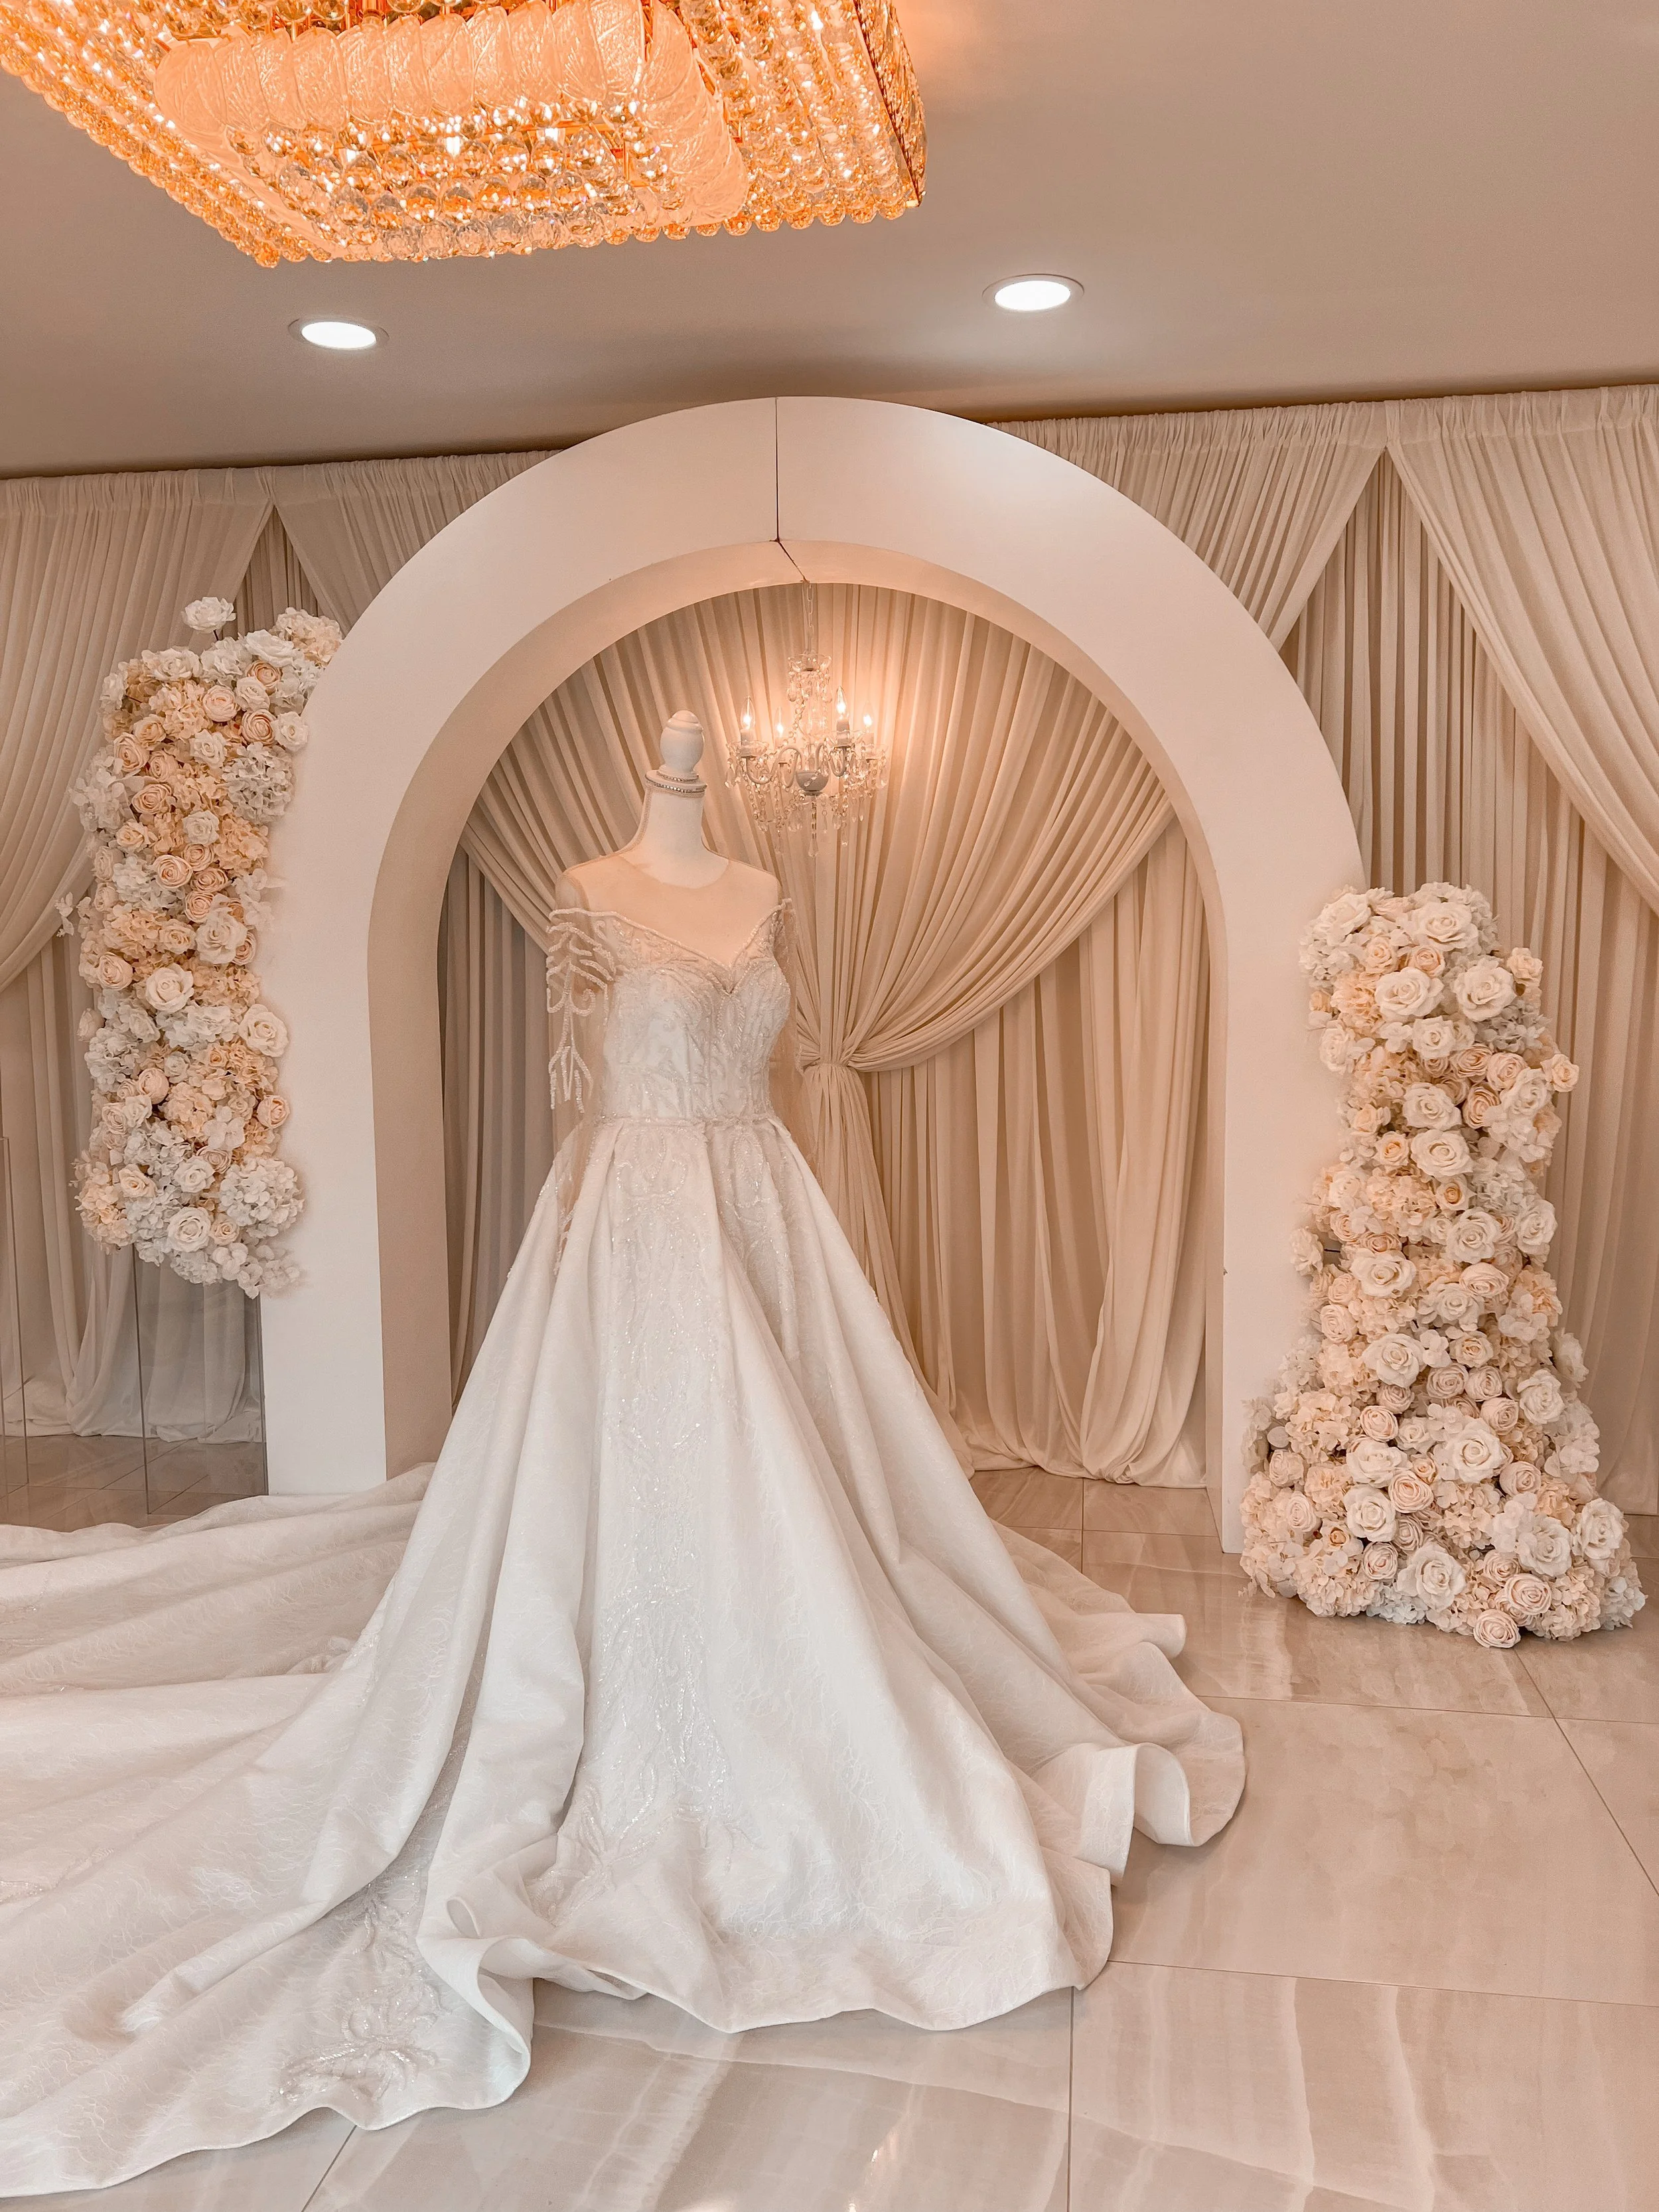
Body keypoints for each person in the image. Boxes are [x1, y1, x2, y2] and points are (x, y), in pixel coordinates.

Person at [0, 711, 1242, 2195]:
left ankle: (817, 1652)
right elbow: (573, 1088)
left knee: (831, 1490)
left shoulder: (761, 891)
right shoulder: (583, 891)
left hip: (764, 1204)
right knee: (648, 1487)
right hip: (636, 1212)